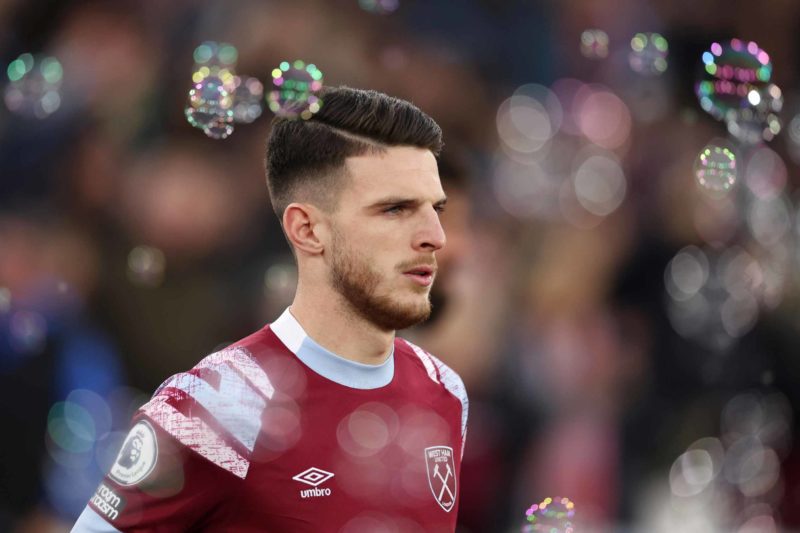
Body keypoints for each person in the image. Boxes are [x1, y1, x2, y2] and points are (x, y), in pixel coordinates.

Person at [71, 86, 468, 532]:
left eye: (435, 209)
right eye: (395, 209)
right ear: (308, 230)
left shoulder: (447, 394)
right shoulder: (218, 403)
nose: (435, 235)